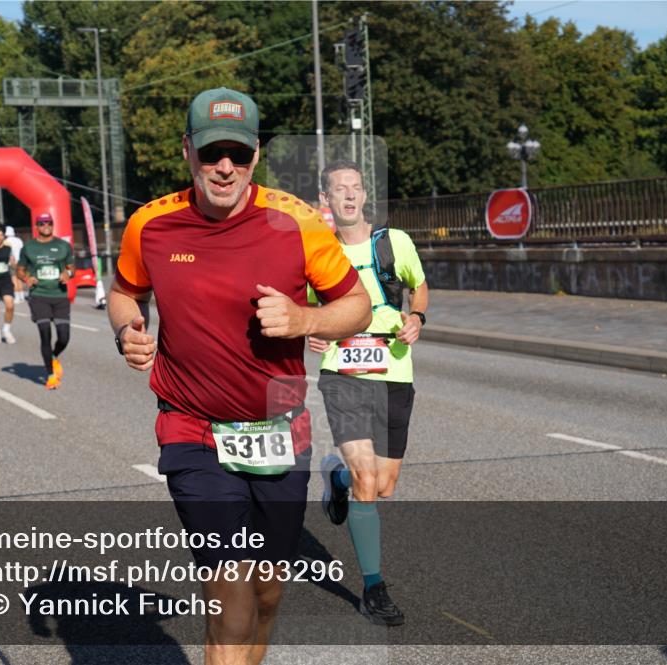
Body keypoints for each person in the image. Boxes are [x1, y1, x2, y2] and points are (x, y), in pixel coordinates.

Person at [109, 87, 371, 665]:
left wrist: (305, 318)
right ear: (188, 151)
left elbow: (357, 306)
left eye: (237, 153)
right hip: (192, 430)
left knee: (266, 592)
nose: (224, 167)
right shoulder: (151, 225)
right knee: (230, 598)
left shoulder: (297, 222)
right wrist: (128, 328)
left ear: (256, 154)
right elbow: (125, 290)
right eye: (210, 153)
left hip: (279, 428)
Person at [308, 160, 428, 627]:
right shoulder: (318, 249)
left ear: (364, 195)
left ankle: (335, 480)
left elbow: (419, 287)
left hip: (393, 368)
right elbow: (304, 306)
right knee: (366, 479)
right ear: (327, 199)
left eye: (355, 188)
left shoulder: (393, 243)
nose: (349, 195)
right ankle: (373, 588)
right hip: (342, 371)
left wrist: (417, 318)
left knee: (383, 485)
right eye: (340, 189)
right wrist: (312, 330)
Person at [17, 213, 73, 389]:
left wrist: (68, 274)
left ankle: (53, 356)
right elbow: (20, 270)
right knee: (45, 333)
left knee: (64, 337)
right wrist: (26, 278)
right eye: (42, 223)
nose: (46, 226)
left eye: (49, 222)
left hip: (59, 296)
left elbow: (72, 268)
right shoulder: (28, 247)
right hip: (39, 296)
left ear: (53, 224)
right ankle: (50, 375)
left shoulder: (63, 246)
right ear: (37, 226)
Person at [5, 226, 26, 303]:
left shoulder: (6, 241)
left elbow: (9, 253)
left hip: (12, 262)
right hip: (20, 261)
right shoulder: (19, 240)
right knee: (19, 279)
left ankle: (17, 297)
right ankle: (22, 297)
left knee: (13, 280)